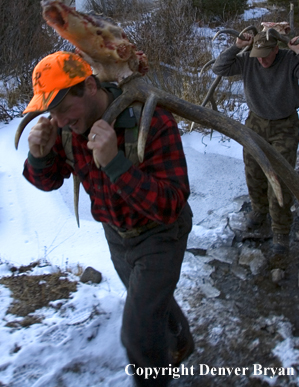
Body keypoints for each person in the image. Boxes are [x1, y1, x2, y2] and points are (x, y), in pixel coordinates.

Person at [22, 51, 194, 385]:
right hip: (116, 235)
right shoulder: (69, 130)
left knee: (137, 332)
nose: (57, 121)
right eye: (50, 111)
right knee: (147, 300)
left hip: (160, 235)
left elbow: (171, 204)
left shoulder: (152, 119)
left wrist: (115, 163)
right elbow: (49, 181)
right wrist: (39, 156)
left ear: (88, 86)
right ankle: (181, 342)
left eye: (61, 108)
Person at [212, 31, 299, 254]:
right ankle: (259, 210)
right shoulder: (249, 59)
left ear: (276, 49)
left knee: (281, 177)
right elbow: (219, 69)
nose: (262, 60)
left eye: (266, 54)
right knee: (253, 170)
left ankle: (281, 229)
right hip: (255, 123)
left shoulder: (289, 59)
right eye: (258, 54)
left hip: (285, 125)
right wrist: (237, 47)